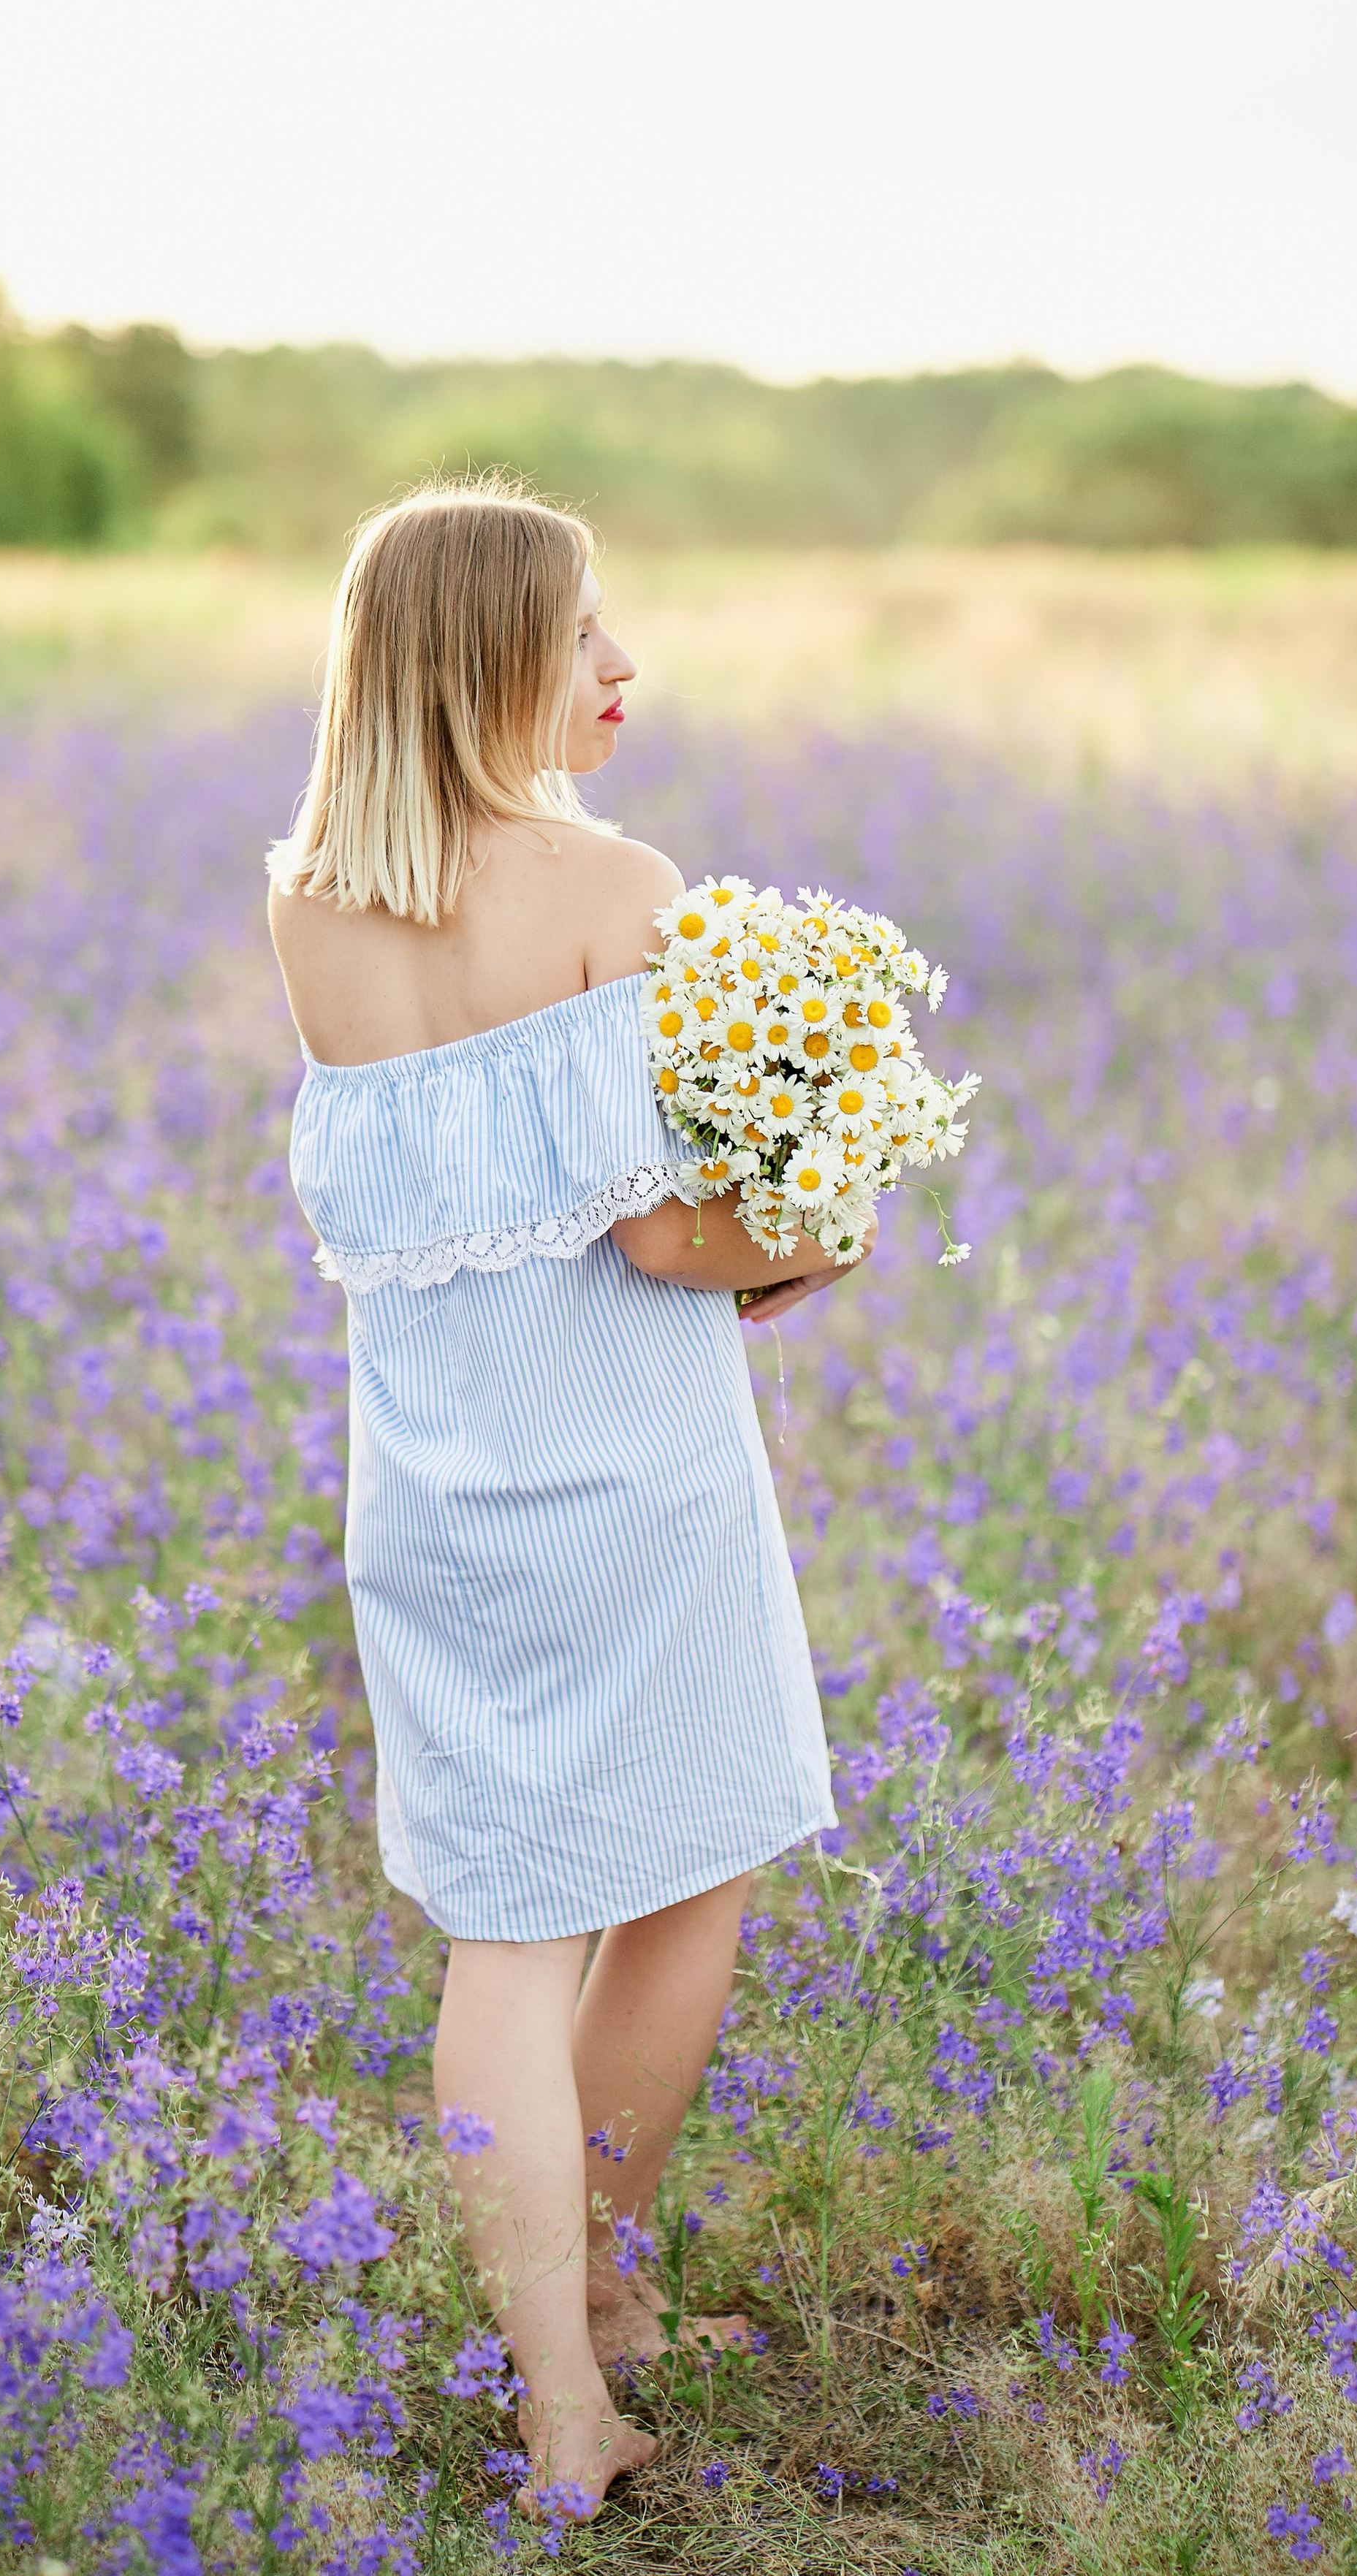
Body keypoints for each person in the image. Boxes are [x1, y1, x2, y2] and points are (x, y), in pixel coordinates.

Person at [267, 478, 866, 2515]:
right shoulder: (620, 885)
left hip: (439, 1489)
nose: (625, 667)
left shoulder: (313, 906)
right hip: (631, 1469)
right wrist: (820, 1233)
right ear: (490, 655)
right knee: (697, 1869)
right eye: (586, 631)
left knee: (504, 1939)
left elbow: (453, 1199)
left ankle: (565, 2383)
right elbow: (666, 1239)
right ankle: (590, 2324)